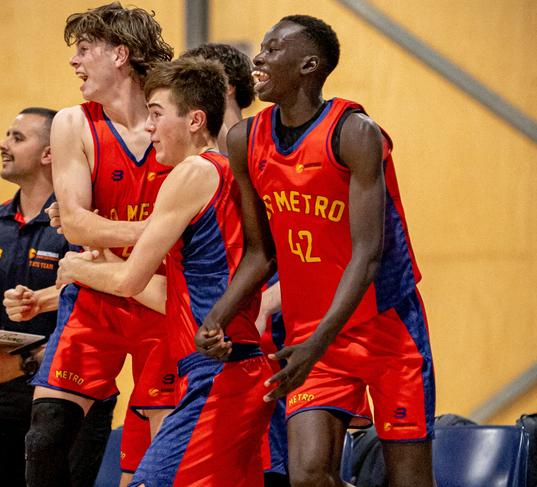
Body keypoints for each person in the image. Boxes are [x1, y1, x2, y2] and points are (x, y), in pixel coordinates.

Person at [196, 14, 436, 487]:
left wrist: (316, 344)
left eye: (273, 48)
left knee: (410, 481)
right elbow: (260, 254)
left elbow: (367, 256)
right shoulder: (246, 140)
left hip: (386, 331)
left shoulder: (355, 132)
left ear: (310, 65)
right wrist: (217, 316)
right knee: (306, 476)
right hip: (313, 337)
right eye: (260, 46)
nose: (258, 58)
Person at [55, 56, 274, 487]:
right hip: (236, 369)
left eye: (157, 115)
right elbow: (170, 296)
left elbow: (128, 282)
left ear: (195, 120)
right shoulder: (227, 172)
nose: (149, 127)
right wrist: (109, 264)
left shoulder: (192, 171)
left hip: (219, 375)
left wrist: (74, 266)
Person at [23, 4, 176, 487]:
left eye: (84, 50)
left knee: (166, 451)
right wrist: (158, 230)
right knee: (45, 440)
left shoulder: (170, 119)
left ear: (120, 55)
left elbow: (89, 225)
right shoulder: (73, 122)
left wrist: (105, 232)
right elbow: (75, 224)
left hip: (163, 300)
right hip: (98, 297)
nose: (74, 62)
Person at [0, 108, 116, 487]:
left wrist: (25, 364)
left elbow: (96, 313)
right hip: (7, 395)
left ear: (48, 153)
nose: (2, 143)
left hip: (73, 390)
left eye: (17, 137)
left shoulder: (78, 223)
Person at [181, 42, 289, 486]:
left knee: (288, 469)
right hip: (219, 338)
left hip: (276, 335)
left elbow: (300, 246)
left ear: (220, 89)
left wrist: (263, 304)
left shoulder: (268, 146)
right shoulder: (195, 166)